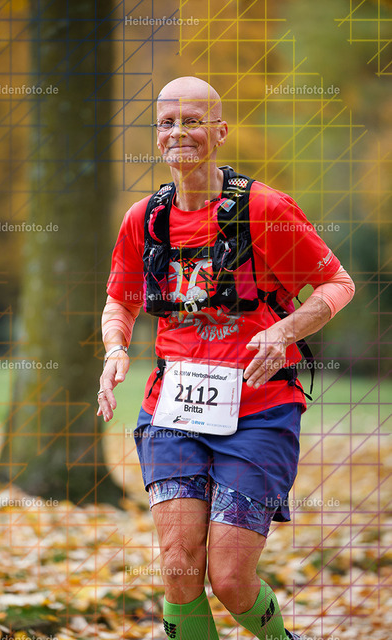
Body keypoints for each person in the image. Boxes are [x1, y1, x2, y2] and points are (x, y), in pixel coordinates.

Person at [97, 76, 355, 640]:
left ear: (219, 131)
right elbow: (121, 299)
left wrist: (284, 331)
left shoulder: (264, 209)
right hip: (173, 409)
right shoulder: (144, 219)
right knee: (178, 565)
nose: (179, 133)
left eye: (193, 121)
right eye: (168, 123)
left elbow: (338, 285)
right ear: (157, 135)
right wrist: (116, 349)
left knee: (231, 579)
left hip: (260, 410)